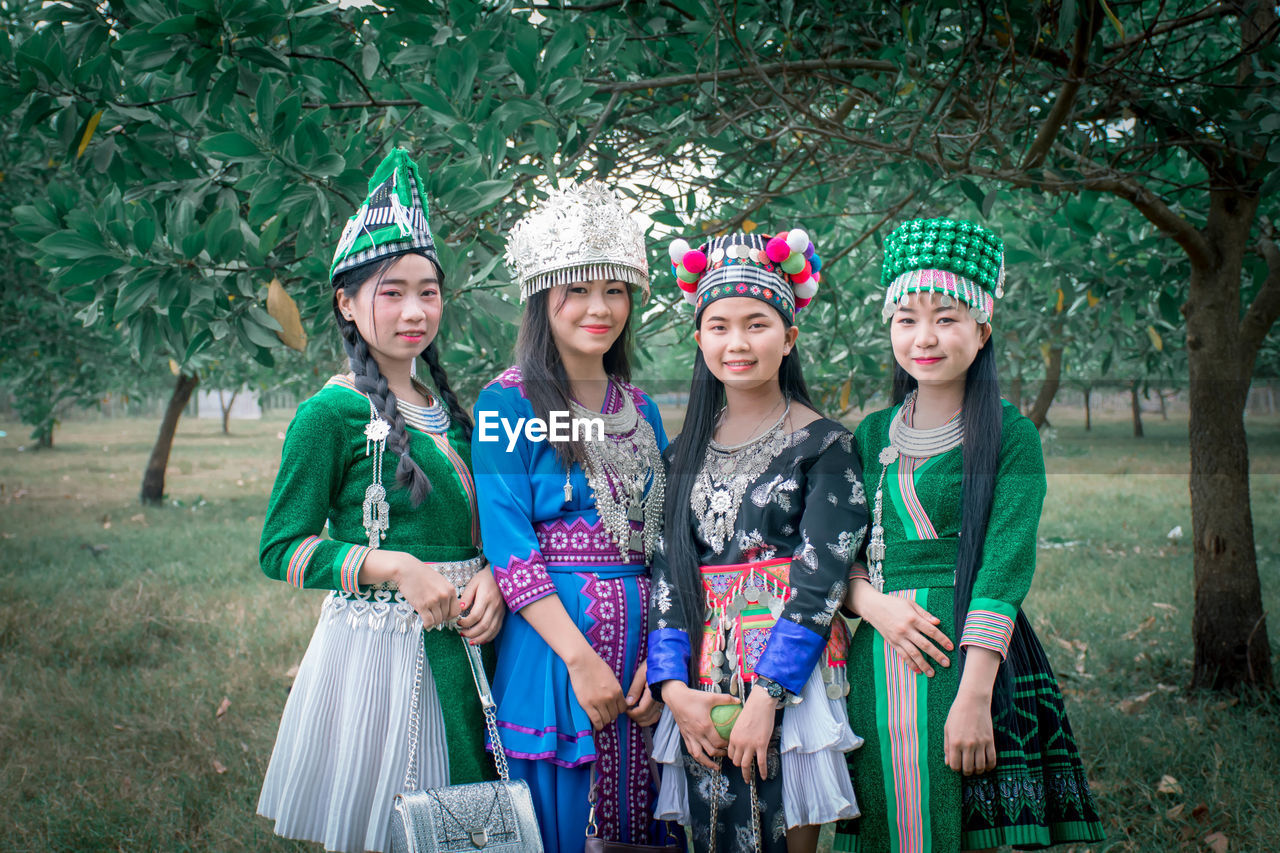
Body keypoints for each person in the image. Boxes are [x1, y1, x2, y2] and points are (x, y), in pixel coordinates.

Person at [256, 149, 504, 853]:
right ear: (345, 301)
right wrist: (392, 565)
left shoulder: (453, 411)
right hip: (382, 653)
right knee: (396, 826)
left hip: (472, 641)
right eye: (391, 292)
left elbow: (482, 527)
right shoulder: (328, 415)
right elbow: (282, 549)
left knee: (471, 824)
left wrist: (492, 576)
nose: (415, 309)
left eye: (428, 291)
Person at [833, 218, 1105, 852]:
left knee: (962, 816)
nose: (924, 336)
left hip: (973, 652)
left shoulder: (1012, 437)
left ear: (982, 331)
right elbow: (836, 553)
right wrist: (873, 606)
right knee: (884, 812)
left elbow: (1006, 562)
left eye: (946, 317)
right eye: (906, 318)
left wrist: (975, 692)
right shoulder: (871, 435)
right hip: (881, 652)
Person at [646, 230, 866, 852]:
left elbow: (820, 583)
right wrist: (673, 690)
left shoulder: (826, 446)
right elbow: (668, 571)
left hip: (788, 675)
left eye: (756, 324)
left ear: (789, 336)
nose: (736, 343)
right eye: (718, 326)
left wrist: (770, 696)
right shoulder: (681, 453)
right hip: (701, 672)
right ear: (699, 338)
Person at [471, 182, 673, 851]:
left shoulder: (640, 406)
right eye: (578, 290)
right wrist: (582, 660)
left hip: (646, 663)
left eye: (615, 290)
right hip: (555, 659)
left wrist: (663, 660)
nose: (599, 307)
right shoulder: (507, 403)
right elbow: (510, 544)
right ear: (541, 298)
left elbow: (670, 540)